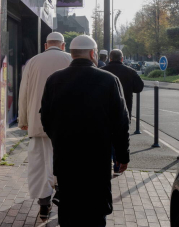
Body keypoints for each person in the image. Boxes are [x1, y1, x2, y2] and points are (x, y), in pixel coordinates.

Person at [40, 35, 130, 227]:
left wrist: (58, 138)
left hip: (65, 157)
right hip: (97, 159)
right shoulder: (109, 80)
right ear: (92, 53)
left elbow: (45, 117)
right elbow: (121, 122)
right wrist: (122, 155)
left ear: (72, 54)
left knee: (68, 208)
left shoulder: (54, 80)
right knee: (96, 211)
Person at [18, 32, 72, 220]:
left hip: (38, 122)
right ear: (63, 45)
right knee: (65, 163)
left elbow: (23, 92)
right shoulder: (70, 59)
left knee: (40, 165)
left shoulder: (33, 62)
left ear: (45, 45)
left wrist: (23, 119)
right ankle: (64, 201)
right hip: (66, 125)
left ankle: (44, 204)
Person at [101, 49, 144, 175]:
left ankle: (106, 165)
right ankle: (117, 165)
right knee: (121, 137)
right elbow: (139, 88)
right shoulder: (130, 71)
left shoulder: (102, 71)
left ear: (110, 58)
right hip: (124, 109)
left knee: (106, 138)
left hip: (105, 110)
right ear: (122, 58)